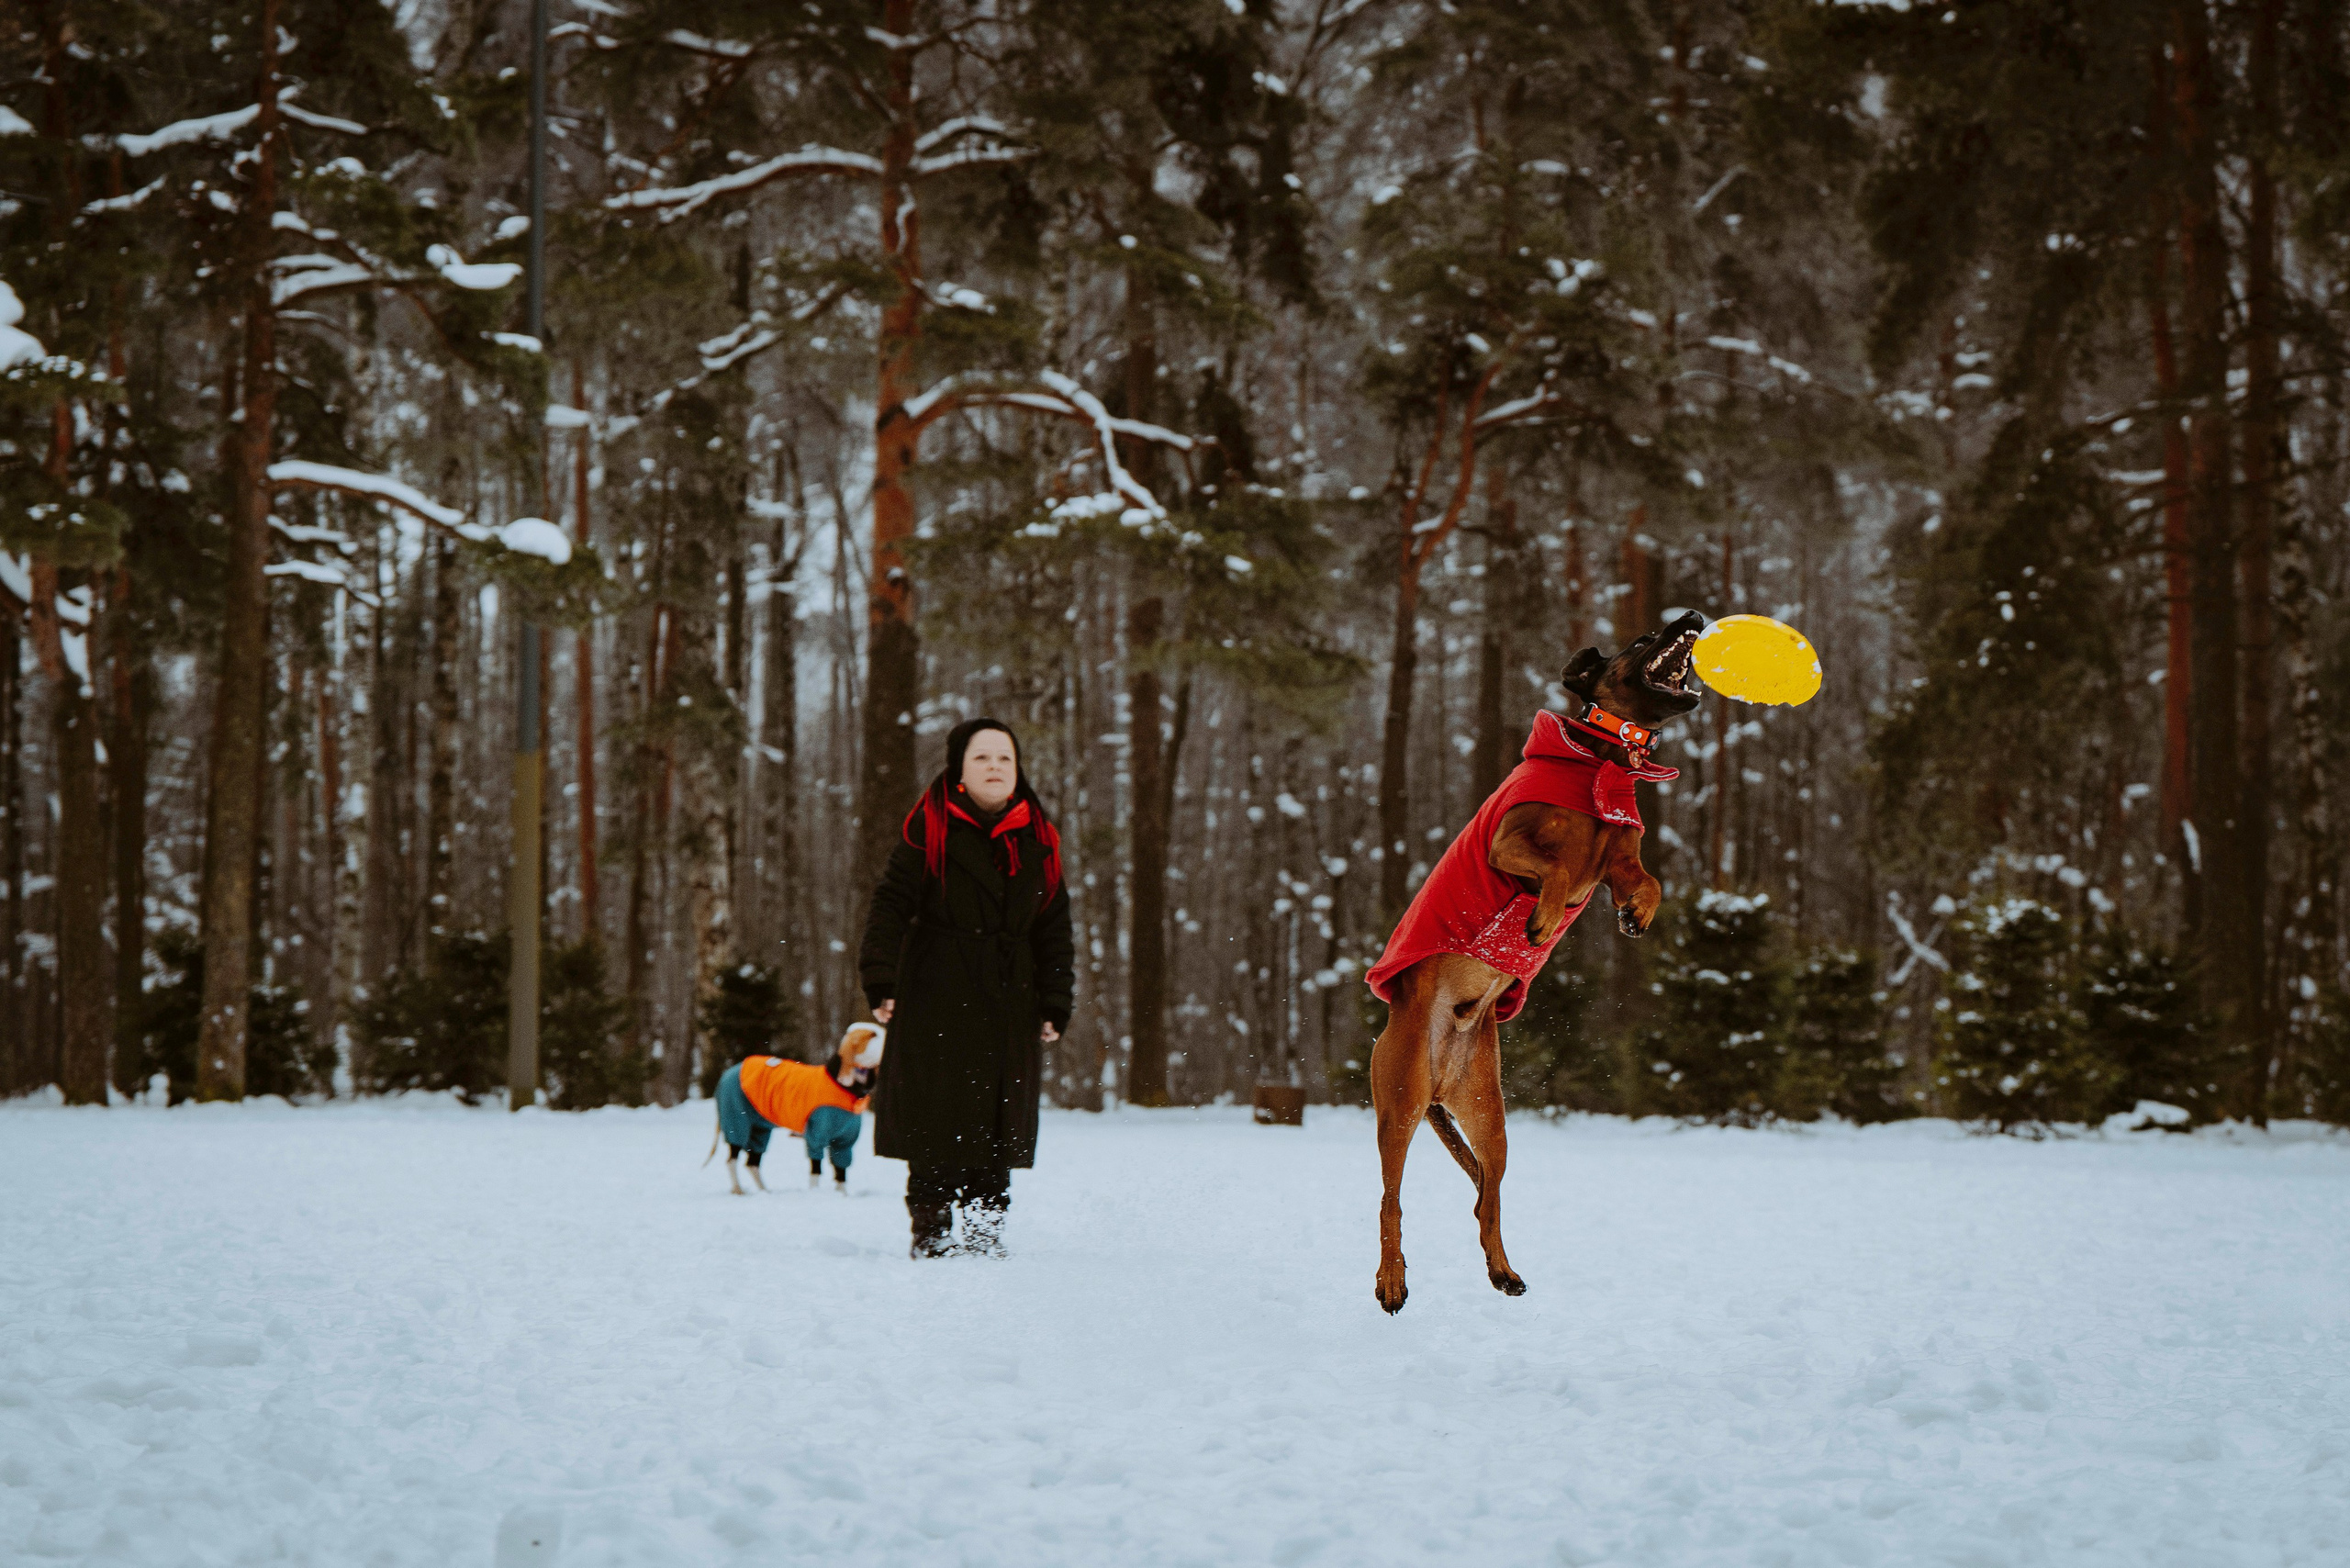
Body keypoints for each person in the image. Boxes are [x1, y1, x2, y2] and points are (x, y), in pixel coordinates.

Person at [859, 718, 1075, 1259]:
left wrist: (1055, 999)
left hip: (1010, 992)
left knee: (998, 1115)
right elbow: (889, 907)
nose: (995, 767)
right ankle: (931, 1230)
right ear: (959, 769)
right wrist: (881, 979)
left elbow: (1054, 925)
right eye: (981, 758)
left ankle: (984, 1231)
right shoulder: (926, 829)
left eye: (1005, 758)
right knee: (937, 1112)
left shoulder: (1039, 837)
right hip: (937, 985)